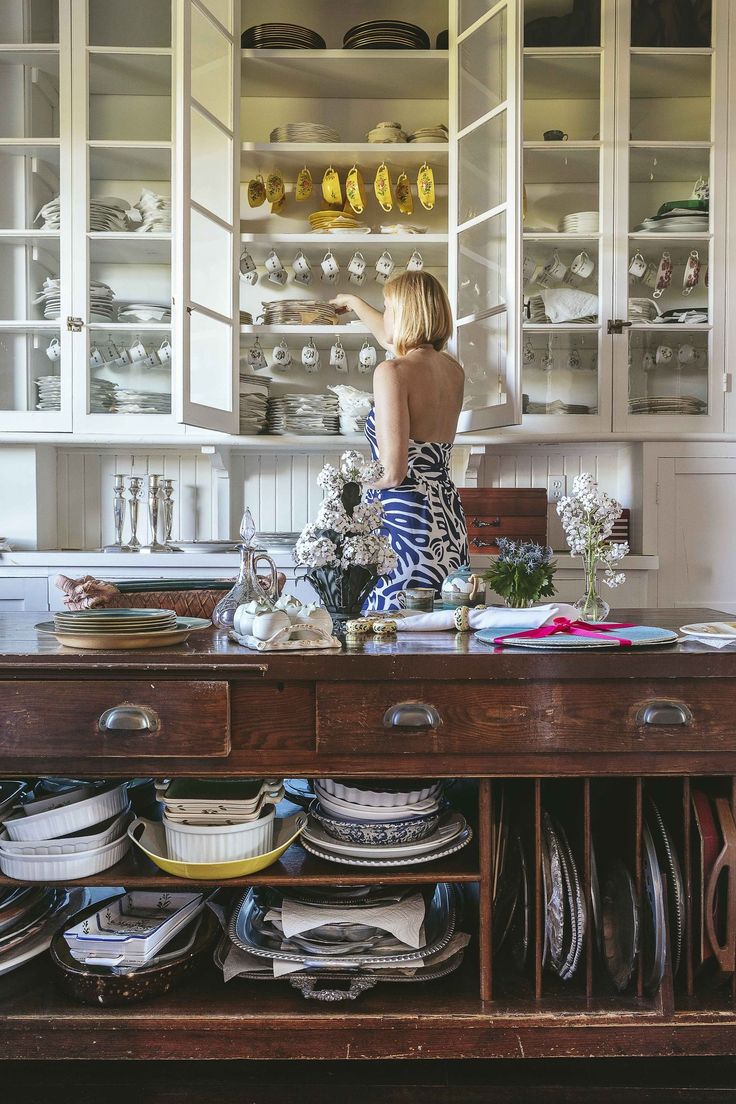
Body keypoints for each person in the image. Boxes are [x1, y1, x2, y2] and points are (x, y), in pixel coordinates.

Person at [331, 271, 469, 611]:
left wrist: (346, 491)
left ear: (406, 314)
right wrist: (353, 302)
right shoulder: (453, 370)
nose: (385, 315)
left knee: (391, 627)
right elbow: (387, 335)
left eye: (388, 307)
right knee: (443, 623)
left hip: (403, 519)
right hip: (445, 513)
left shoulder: (391, 372)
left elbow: (393, 473)